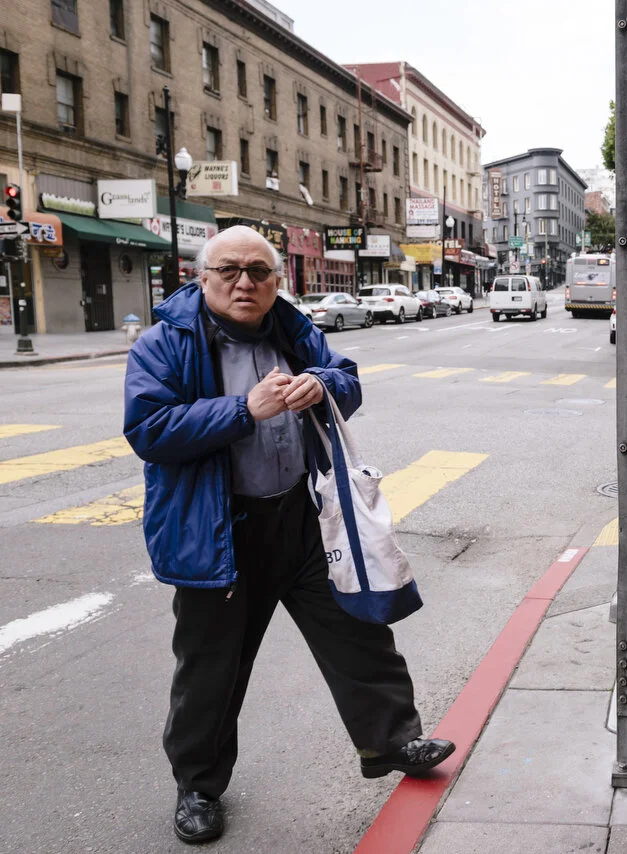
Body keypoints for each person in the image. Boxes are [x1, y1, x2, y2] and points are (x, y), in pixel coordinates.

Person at [123, 226, 453, 844]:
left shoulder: (294, 328)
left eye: (258, 271)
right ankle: (197, 786)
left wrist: (324, 386)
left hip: (301, 521)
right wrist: (242, 409)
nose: (244, 282)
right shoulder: (164, 343)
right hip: (219, 531)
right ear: (202, 275)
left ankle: (394, 742)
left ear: (278, 280)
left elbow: (347, 377)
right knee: (211, 670)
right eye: (229, 270)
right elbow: (150, 430)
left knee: (358, 634)